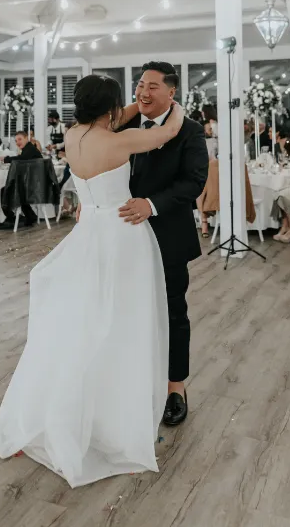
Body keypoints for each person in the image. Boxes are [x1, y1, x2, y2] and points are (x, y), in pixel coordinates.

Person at [0, 74, 186, 487]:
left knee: (85, 322)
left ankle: (75, 409)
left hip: (88, 236)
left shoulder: (73, 134)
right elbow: (169, 130)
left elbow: (115, 120)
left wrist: (135, 102)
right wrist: (175, 102)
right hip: (122, 237)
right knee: (124, 325)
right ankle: (118, 426)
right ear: (111, 110)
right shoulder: (119, 142)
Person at [119, 61, 209, 428]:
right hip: (123, 237)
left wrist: (151, 205)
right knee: (128, 311)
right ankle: (134, 379)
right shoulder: (124, 124)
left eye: (153, 86)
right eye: (141, 84)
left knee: (173, 314)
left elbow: (194, 181)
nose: (143, 92)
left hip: (167, 235)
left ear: (171, 92)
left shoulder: (189, 131)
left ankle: (176, 387)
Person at [0, 129, 43, 230]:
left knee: (5, 190)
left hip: (33, 186)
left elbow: (21, 159)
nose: (18, 142)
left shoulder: (30, 149)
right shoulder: (28, 149)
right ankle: (30, 216)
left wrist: (6, 159)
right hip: (34, 183)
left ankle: (10, 218)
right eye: (16, 141)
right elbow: (21, 158)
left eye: (20, 139)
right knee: (16, 188)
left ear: (26, 138)